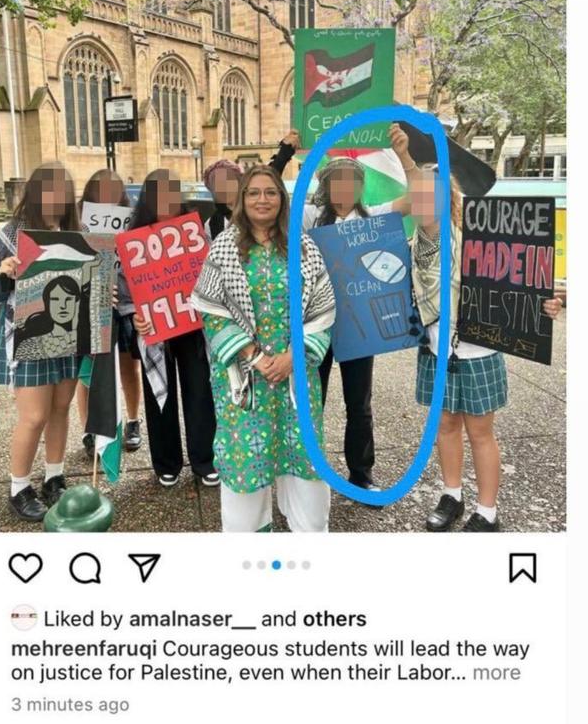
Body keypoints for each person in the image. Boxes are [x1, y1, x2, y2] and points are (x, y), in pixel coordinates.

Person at [391, 126, 564, 532]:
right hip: (436, 349)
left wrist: (544, 304)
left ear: (447, 197)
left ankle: (488, 510)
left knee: (481, 432)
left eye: (431, 193)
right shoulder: (420, 242)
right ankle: (452, 494)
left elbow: (517, 278)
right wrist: (404, 160)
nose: (422, 200)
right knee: (445, 425)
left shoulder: (475, 236)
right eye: (417, 196)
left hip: (479, 349)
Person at [191, 165, 336, 532]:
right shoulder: (224, 247)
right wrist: (254, 356)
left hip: (295, 374)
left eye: (270, 192)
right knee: (246, 464)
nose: (262, 199)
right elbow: (212, 310)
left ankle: (310, 539)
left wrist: (293, 357)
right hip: (245, 382)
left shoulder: (303, 246)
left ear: (281, 200)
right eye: (254, 192)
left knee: (304, 458)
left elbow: (322, 308)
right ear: (242, 199)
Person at [302, 142, 419, 493]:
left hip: (359, 326)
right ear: (325, 186)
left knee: (360, 403)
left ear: (360, 186)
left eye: (351, 181)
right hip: (316, 324)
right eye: (336, 181)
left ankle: (361, 473)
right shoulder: (309, 217)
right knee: (311, 400)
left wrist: (404, 155)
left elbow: (415, 199)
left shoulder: (376, 214)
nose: (344, 188)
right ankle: (308, 467)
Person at [0, 163, 81, 522]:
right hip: (27, 336)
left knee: (60, 408)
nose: (57, 197)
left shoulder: (77, 233)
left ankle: (54, 477)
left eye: (64, 190)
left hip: (69, 336)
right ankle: (18, 486)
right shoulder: (11, 235)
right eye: (50, 190)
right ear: (36, 192)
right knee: (34, 416)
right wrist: (4, 276)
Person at [118, 169, 218, 487]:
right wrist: (134, 315)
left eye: (171, 193)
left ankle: (205, 459)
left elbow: (213, 271)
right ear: (147, 198)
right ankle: (166, 461)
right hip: (154, 329)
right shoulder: (134, 238)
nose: (166, 200)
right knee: (158, 395)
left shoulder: (195, 231)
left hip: (191, 324)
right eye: (158, 194)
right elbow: (124, 288)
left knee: (200, 390)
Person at [77, 169, 143, 456]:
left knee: (129, 365)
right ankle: (89, 430)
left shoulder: (132, 220)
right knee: (88, 371)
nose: (106, 194)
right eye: (100, 188)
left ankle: (132, 421)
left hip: (127, 304)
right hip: (90, 306)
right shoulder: (78, 220)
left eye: (112, 188)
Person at [202, 130, 299, 241]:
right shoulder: (212, 224)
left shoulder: (259, 209)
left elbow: (269, 175)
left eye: (228, 181)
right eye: (217, 185)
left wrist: (286, 149)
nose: (223, 188)